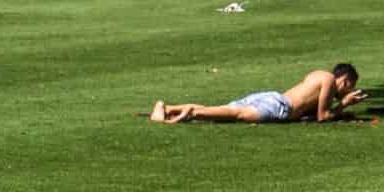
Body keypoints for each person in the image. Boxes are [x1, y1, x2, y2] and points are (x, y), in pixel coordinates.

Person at [153, 63, 364, 124]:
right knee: (237, 115)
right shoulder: (328, 81)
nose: (349, 90)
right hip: (279, 106)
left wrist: (341, 107)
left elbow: (309, 109)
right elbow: (322, 116)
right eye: (350, 86)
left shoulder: (318, 75)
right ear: (343, 80)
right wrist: (344, 104)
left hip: (272, 97)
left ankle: (168, 107)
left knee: (228, 110)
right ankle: (192, 113)